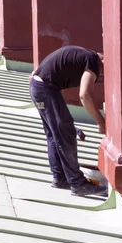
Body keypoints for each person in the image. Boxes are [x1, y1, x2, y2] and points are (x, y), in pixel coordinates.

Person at [29, 46, 107, 197]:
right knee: (66, 136)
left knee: (54, 135)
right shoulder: (92, 61)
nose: (101, 74)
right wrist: (101, 122)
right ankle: (78, 184)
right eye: (103, 70)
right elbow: (84, 94)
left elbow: (37, 72)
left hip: (37, 87)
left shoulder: (82, 55)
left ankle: (60, 177)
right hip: (46, 88)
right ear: (103, 60)